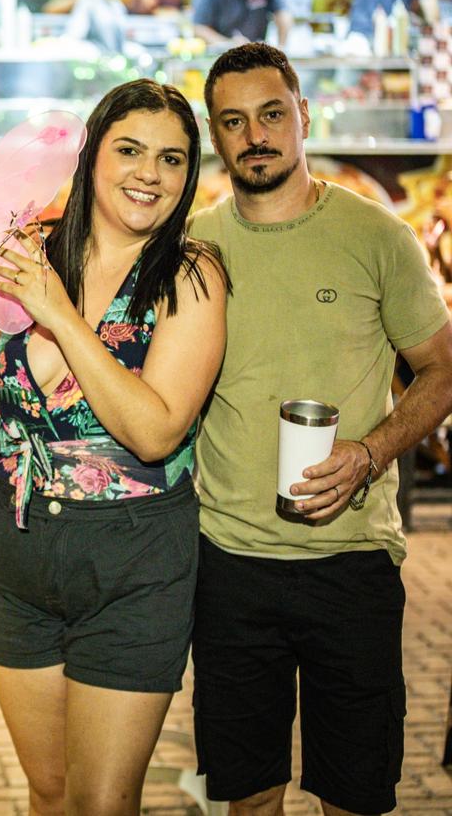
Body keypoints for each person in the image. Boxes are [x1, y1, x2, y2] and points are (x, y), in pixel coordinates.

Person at [189, 42, 452, 816]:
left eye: (272, 114)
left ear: (303, 116)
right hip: (230, 561)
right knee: (248, 797)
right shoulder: (197, 246)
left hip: (354, 562)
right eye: (234, 122)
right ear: (216, 134)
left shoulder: (377, 236)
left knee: (356, 792)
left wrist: (371, 453)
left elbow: (441, 369)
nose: (256, 135)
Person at [0, 78, 228, 815]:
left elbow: (155, 430)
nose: (150, 173)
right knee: (48, 794)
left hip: (133, 560)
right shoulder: (26, 252)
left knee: (103, 802)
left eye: (172, 159)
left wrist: (60, 312)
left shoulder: (189, 274)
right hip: (13, 554)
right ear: (90, 157)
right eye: (131, 151)